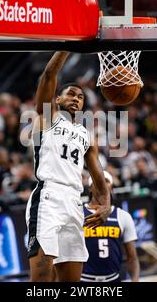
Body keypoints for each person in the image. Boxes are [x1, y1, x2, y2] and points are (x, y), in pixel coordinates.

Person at [26, 51, 111, 282]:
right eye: (70, 94)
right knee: (42, 279)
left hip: (74, 202)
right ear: (57, 100)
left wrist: (106, 204)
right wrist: (66, 45)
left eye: (80, 97)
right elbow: (48, 74)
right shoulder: (47, 118)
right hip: (48, 198)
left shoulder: (86, 135)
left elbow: (98, 177)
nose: (76, 98)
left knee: (71, 281)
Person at [82, 171, 139, 282]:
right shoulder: (78, 213)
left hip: (113, 279)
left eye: (106, 181)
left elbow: (132, 257)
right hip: (84, 279)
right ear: (90, 188)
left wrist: (135, 279)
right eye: (97, 180)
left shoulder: (122, 216)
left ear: (112, 187)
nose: (102, 183)